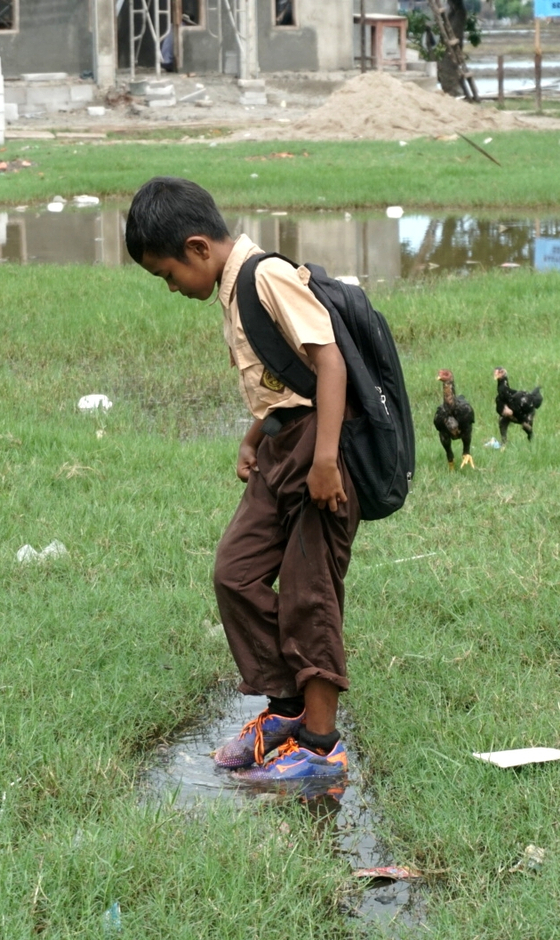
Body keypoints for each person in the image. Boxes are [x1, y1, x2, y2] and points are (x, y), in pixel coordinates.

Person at [125, 177, 360, 782]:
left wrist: (327, 460)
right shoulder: (235, 292)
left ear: (198, 248)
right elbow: (280, 379)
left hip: (323, 451)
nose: (172, 287)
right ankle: (284, 706)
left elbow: (329, 360)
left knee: (310, 592)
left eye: (168, 274)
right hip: (284, 447)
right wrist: (254, 438)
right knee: (235, 571)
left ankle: (319, 745)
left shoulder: (265, 276)